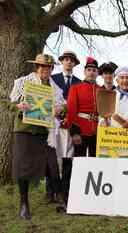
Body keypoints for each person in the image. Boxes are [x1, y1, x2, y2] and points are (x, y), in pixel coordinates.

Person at [9, 54, 65, 220]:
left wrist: (60, 110)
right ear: (36, 67)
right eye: (41, 66)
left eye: (48, 67)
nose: (44, 70)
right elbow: (10, 104)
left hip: (46, 133)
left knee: (53, 166)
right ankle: (24, 203)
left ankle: (60, 198)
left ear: (52, 69)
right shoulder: (22, 83)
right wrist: (19, 107)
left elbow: (63, 109)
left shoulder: (55, 88)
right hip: (26, 131)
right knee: (23, 168)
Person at [62, 57, 100, 205]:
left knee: (96, 164)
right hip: (81, 130)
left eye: (94, 70)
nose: (91, 73)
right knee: (78, 164)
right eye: (89, 70)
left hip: (97, 130)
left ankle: (93, 193)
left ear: (97, 73)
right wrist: (74, 132)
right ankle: (75, 194)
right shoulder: (76, 88)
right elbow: (72, 111)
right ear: (85, 71)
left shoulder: (101, 90)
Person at [49, 50, 81, 204]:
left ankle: (66, 189)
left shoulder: (79, 82)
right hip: (54, 124)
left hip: (70, 126)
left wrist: (69, 120)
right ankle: (51, 191)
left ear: (74, 63)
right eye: (66, 59)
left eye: (71, 60)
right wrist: (56, 117)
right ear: (62, 62)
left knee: (68, 157)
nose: (68, 62)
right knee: (52, 157)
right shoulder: (52, 79)